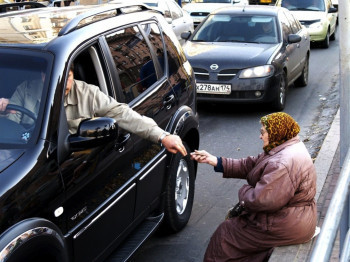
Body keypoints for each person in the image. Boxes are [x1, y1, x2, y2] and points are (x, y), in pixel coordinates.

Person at [191, 112, 317, 262]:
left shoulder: (282, 163)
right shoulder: (285, 146)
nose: (260, 136)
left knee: (225, 235)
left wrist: (245, 190)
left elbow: (261, 200)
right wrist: (215, 161)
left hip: (286, 224)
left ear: (276, 132)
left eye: (263, 132)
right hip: (292, 217)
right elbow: (251, 165)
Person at [0, 66, 187, 156]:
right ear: (43, 76)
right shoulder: (25, 90)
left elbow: (122, 113)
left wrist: (162, 136)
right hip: (30, 154)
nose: (64, 84)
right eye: (58, 78)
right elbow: (11, 130)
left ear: (73, 74)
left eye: (69, 77)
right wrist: (3, 112)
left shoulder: (89, 94)